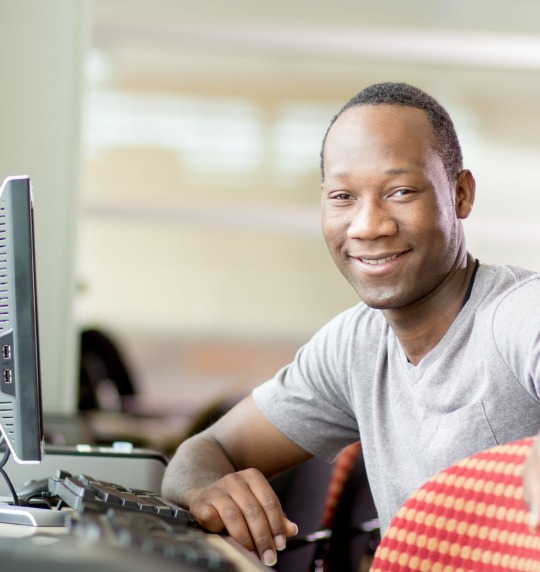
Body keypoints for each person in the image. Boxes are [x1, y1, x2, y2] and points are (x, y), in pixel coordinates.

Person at [161, 82, 540, 566]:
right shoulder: (355, 344)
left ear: (461, 194)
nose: (368, 225)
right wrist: (208, 488)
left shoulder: (515, 313)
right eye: (343, 196)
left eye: (401, 191)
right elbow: (207, 448)